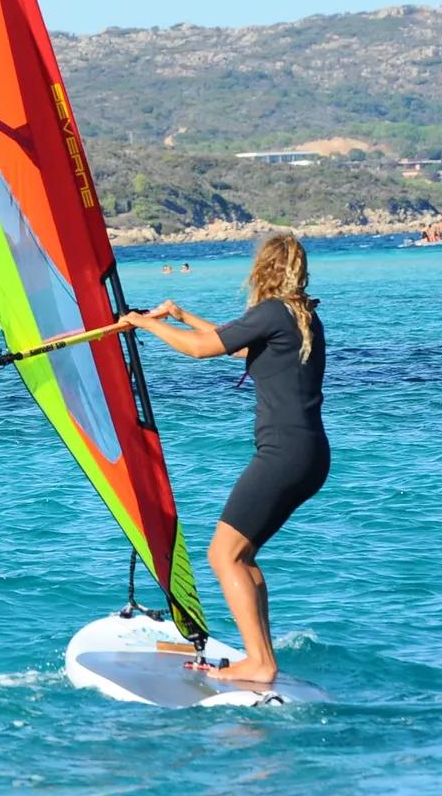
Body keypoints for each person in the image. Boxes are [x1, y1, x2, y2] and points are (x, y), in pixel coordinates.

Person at [122, 233, 328, 685]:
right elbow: (234, 344)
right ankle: (262, 656)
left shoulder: (273, 312)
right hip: (309, 454)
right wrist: (179, 315)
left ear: (263, 270)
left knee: (223, 555)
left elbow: (202, 349)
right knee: (243, 556)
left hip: (284, 454)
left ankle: (260, 662)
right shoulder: (300, 315)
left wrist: (143, 324)